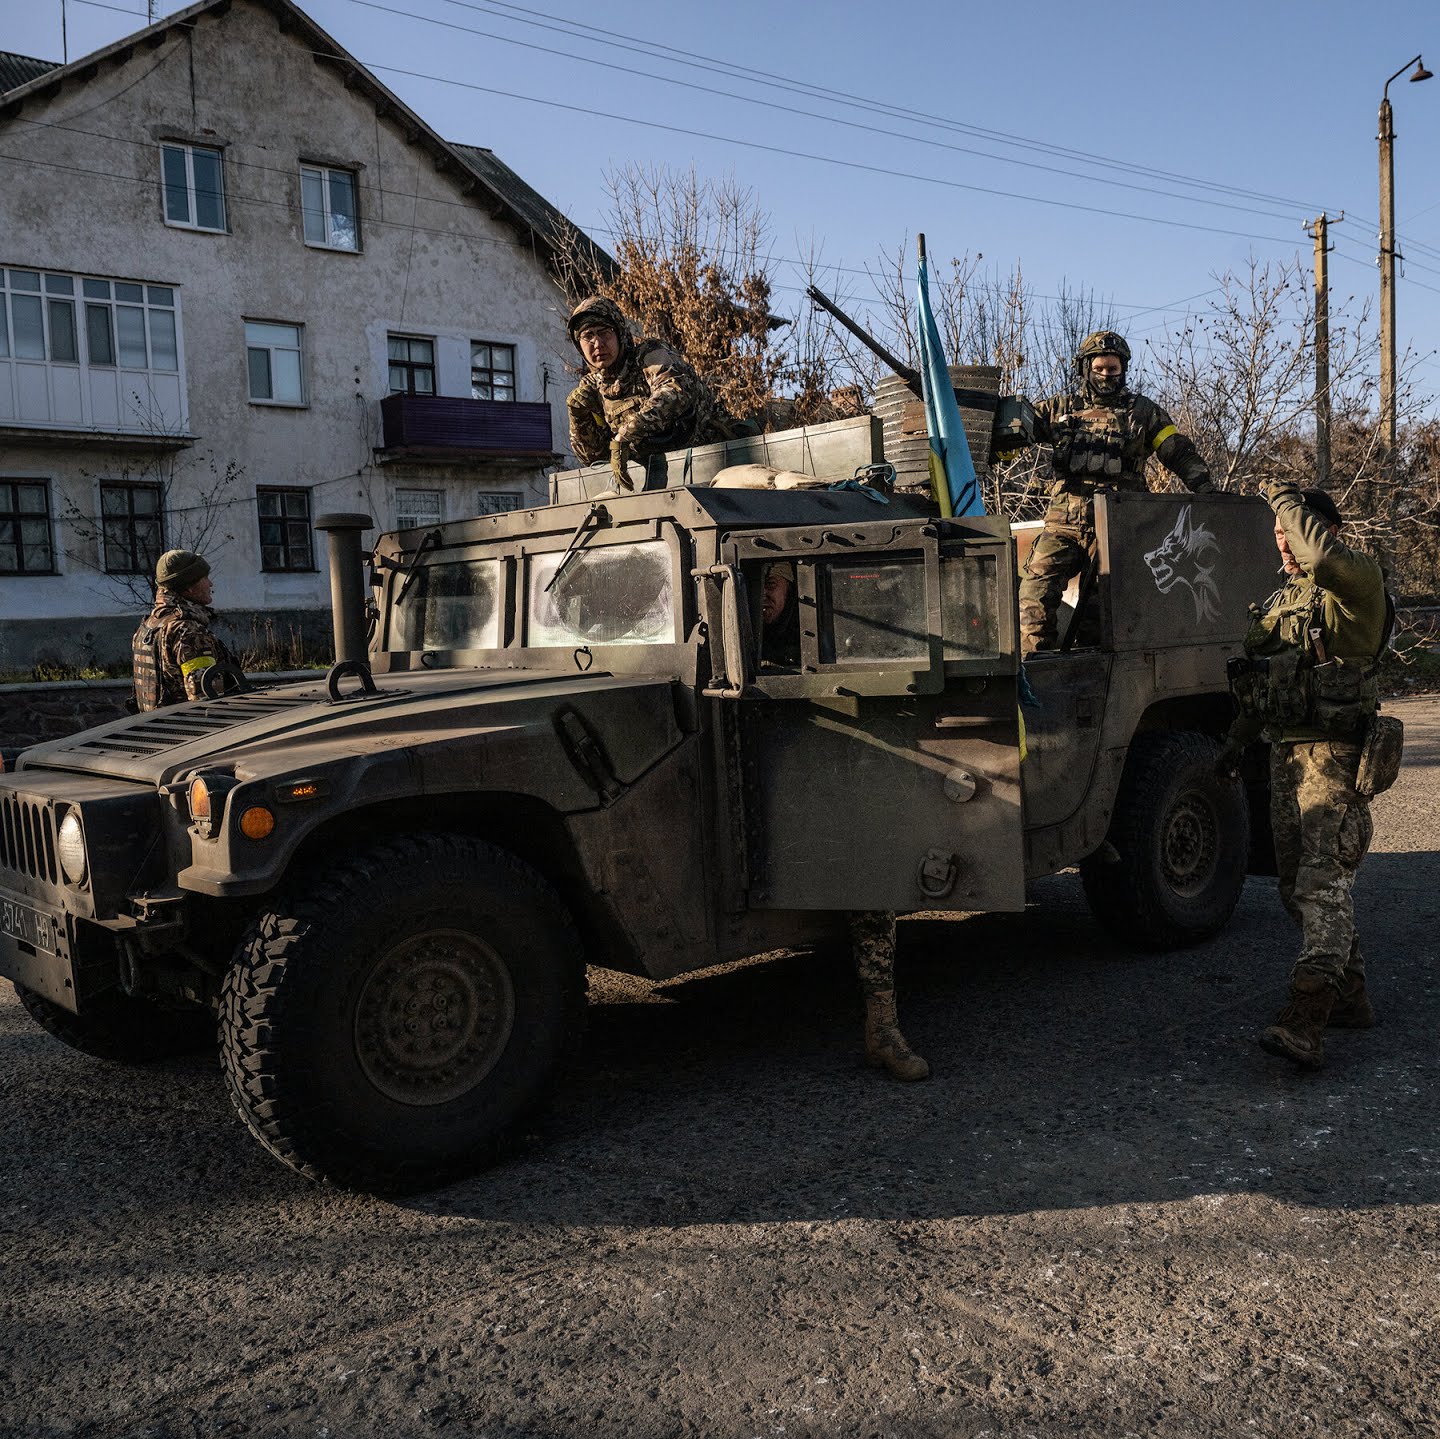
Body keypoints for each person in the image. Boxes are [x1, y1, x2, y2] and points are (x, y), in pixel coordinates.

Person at [1222, 481, 1392, 1069]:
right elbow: (1263, 690)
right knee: (1299, 890)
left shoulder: (1356, 584)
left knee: (1323, 882)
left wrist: (1281, 498)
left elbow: (1319, 557)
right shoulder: (1284, 600)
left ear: (1323, 531)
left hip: (1335, 758)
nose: (1285, 545)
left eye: (1291, 532)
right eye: (1278, 536)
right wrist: (1233, 747)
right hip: (1284, 757)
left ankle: (1306, 1018)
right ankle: (1350, 997)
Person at [755, 561, 928, 1081]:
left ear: (793, 586)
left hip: (822, 779)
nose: (764, 596)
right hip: (757, 781)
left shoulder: (824, 634)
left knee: (867, 874)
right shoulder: (729, 631)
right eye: (758, 584)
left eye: (774, 584)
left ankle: (883, 1026)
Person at [1017, 330, 1213, 655]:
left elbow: (1177, 451)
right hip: (1064, 527)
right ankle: (1035, 671)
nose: (1107, 375)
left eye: (1113, 369)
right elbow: (1015, 429)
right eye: (1100, 368)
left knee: (1103, 617)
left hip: (1119, 530)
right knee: (1033, 596)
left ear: (1123, 370)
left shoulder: (1143, 412)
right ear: (1085, 369)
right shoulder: (1059, 409)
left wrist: (1204, 487)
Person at [564, 296, 736, 490]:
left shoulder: (648, 354)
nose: (597, 344)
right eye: (588, 336)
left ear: (619, 333)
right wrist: (579, 417)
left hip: (714, 465)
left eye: (604, 333)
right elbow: (595, 459)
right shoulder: (592, 387)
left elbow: (674, 391)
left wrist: (625, 434)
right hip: (654, 479)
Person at [132, 549, 236, 711]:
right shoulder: (187, 631)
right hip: (191, 731)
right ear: (189, 587)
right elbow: (207, 701)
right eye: (205, 578)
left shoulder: (149, 626)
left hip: (157, 729)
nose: (211, 584)